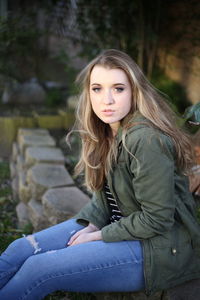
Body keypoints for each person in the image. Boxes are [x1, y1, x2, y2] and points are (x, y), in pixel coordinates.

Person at [0, 49, 200, 300]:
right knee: (19, 249)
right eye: (97, 88)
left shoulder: (146, 140)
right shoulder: (104, 131)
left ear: (134, 92)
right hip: (121, 228)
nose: (107, 100)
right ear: (89, 93)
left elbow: (157, 219)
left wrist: (96, 236)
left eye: (118, 89)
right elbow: (104, 198)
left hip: (157, 248)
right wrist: (92, 223)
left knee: (39, 268)